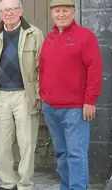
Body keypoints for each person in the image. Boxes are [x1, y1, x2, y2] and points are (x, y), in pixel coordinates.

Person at [39, 0, 103, 189]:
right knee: (62, 153)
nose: (61, 15)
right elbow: (42, 68)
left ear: (73, 12)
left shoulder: (85, 36)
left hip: (75, 108)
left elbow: (95, 69)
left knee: (76, 153)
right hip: (50, 106)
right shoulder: (49, 38)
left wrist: (90, 100)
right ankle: (66, 186)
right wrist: (43, 95)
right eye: (57, 11)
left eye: (65, 11)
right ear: (52, 14)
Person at [0, 0, 44, 189]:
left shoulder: (34, 34)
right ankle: (8, 182)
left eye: (12, 9)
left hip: (24, 95)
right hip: (1, 95)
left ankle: (25, 184)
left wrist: (38, 95)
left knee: (27, 143)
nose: (8, 13)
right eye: (4, 10)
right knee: (2, 144)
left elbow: (42, 67)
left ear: (20, 11)